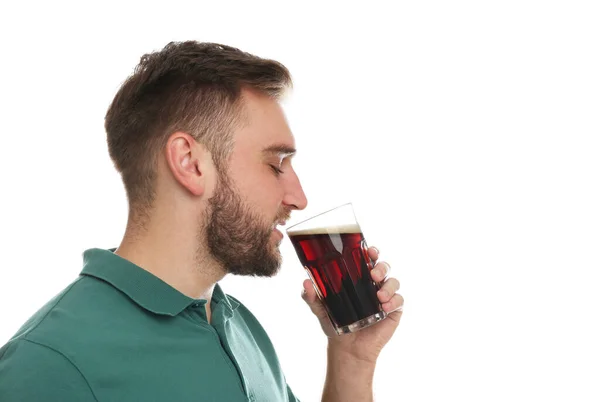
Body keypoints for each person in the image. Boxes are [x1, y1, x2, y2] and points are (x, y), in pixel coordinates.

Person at [0, 41, 404, 401]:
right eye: (276, 164)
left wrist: (352, 358)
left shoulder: (239, 326)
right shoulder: (48, 366)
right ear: (190, 164)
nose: (299, 199)